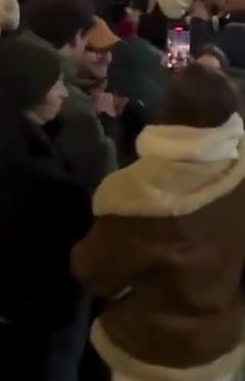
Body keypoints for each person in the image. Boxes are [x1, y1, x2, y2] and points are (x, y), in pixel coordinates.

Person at [72, 65, 245, 381]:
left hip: (149, 348)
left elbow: (94, 272)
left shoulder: (132, 192)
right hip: (218, 342)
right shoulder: (240, 175)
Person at [0, 35, 92, 381]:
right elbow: (77, 232)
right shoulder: (35, 171)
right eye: (55, 84)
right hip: (32, 309)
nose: (63, 94)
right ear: (30, 90)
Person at [23, 0, 118, 190]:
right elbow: (105, 184)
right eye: (89, 44)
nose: (107, 58)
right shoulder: (72, 103)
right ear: (76, 38)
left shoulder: (18, 68)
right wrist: (107, 124)